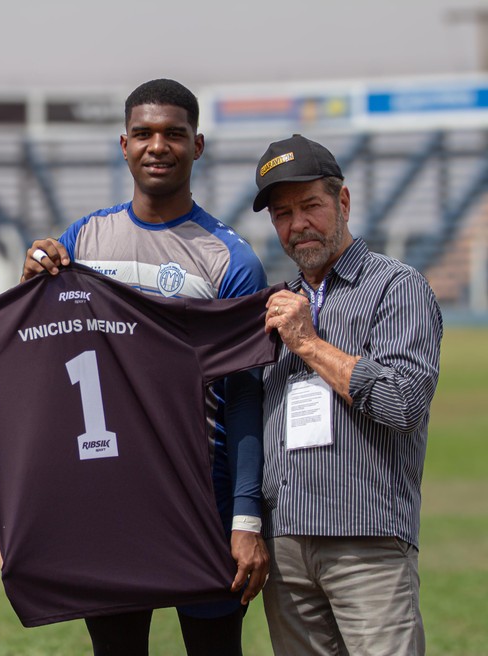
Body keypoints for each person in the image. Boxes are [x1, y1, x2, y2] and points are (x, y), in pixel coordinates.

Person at [22, 78, 270, 656]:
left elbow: (244, 398)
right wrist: (33, 273)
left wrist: (247, 518)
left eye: (173, 134)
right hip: (109, 489)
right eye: (144, 133)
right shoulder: (82, 239)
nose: (158, 146)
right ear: (124, 144)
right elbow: (45, 354)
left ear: (198, 145)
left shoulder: (229, 260)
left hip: (200, 491)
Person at [254, 134, 442, 655]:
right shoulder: (275, 303)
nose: (297, 225)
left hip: (366, 539)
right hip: (286, 545)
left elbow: (403, 403)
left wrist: (309, 343)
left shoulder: (396, 287)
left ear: (343, 201)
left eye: (310, 205)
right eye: (282, 214)